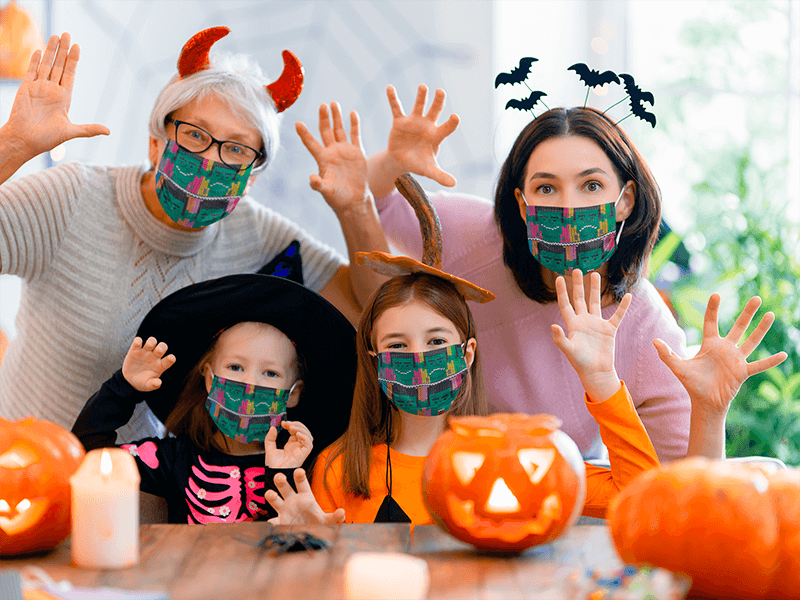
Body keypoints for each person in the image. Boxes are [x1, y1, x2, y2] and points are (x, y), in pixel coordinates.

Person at [0, 30, 388, 440]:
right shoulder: (71, 197)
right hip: (32, 474)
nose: (209, 160)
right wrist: (13, 144)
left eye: (237, 149)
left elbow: (375, 312)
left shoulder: (257, 234)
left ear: (252, 177)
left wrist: (356, 208)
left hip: (155, 489)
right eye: (195, 135)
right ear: (156, 142)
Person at [366, 83, 693, 461]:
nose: (569, 206)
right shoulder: (476, 235)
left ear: (626, 201)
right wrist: (393, 159)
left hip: (564, 490)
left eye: (591, 185)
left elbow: (678, 472)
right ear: (522, 205)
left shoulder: (647, 328)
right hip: (448, 468)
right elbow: (373, 202)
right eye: (547, 188)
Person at [71, 273, 358, 524]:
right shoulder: (175, 458)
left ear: (293, 394)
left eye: (270, 373)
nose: (249, 384)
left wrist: (282, 471)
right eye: (235, 367)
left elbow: (297, 540)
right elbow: (87, 454)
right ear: (208, 378)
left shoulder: (309, 464)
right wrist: (124, 387)